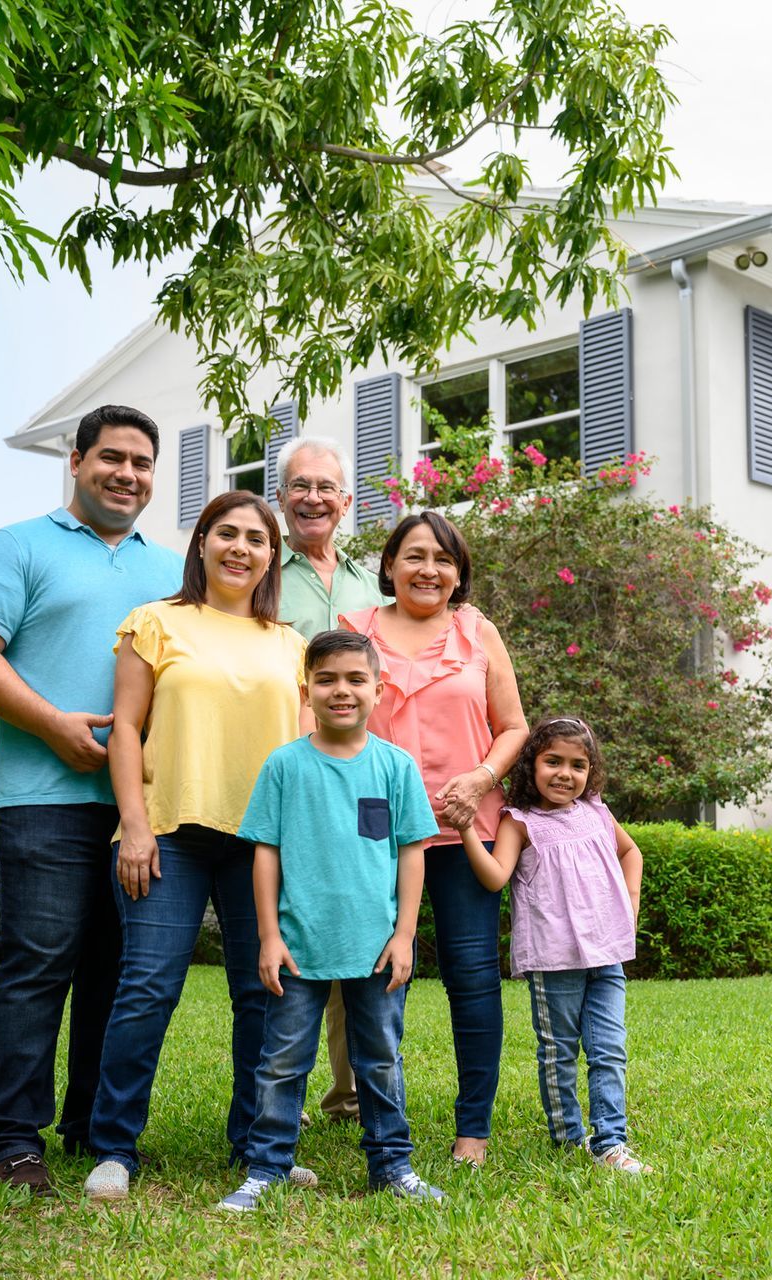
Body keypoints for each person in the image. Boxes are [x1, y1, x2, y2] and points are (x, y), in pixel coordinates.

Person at [0, 405, 184, 1194]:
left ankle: (89, 1124)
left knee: (116, 969)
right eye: (111, 458)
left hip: (139, 809)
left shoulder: (170, 571)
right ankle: (12, 1139)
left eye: (142, 463)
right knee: (39, 962)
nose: (127, 474)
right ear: (75, 461)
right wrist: (52, 726)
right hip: (43, 795)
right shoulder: (19, 546)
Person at [80, 490, 310, 1201]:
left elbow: (306, 750)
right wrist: (136, 824)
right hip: (169, 834)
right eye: (227, 534)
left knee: (264, 993)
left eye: (257, 539)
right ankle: (113, 1147)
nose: (241, 548)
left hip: (262, 844)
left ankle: (258, 1144)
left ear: (273, 555)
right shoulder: (154, 623)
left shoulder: (291, 643)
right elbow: (124, 729)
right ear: (202, 543)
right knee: (147, 989)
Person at [219, 629, 445, 1211]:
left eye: (354, 679)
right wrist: (268, 936)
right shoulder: (285, 766)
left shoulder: (395, 768)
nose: (340, 691)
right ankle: (267, 1167)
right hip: (297, 946)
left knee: (381, 1060)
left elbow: (412, 851)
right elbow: (264, 851)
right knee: (281, 1061)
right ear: (306, 691)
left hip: (376, 948)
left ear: (379, 689)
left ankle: (393, 1166)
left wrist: (404, 936)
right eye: (326, 679)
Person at [340, 511, 528, 1167]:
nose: (428, 569)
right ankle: (377, 1114)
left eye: (443, 559)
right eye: (414, 555)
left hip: (463, 827)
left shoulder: (478, 632)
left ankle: (471, 1130)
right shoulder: (354, 630)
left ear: (459, 574)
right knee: (372, 974)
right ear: (388, 565)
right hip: (371, 828)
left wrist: (479, 780)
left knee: (472, 977)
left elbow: (513, 727)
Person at [455, 716, 653, 1174]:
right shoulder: (520, 822)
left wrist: (632, 902)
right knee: (559, 1051)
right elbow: (495, 877)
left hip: (607, 954)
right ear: (531, 765)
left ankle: (610, 1142)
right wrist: (466, 828)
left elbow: (631, 852)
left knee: (608, 1049)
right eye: (553, 761)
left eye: (578, 765)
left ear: (591, 771)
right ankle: (567, 1138)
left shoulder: (597, 811)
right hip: (553, 959)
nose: (565, 774)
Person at [274, 436, 389, 1125]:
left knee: (363, 923)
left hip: (365, 781)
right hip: (290, 782)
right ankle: (279, 1091)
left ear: (346, 502)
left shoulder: (370, 587)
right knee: (292, 929)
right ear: (281, 497)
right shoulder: (259, 574)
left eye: (326, 487)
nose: (313, 497)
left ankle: (350, 1094)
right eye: (299, 486)